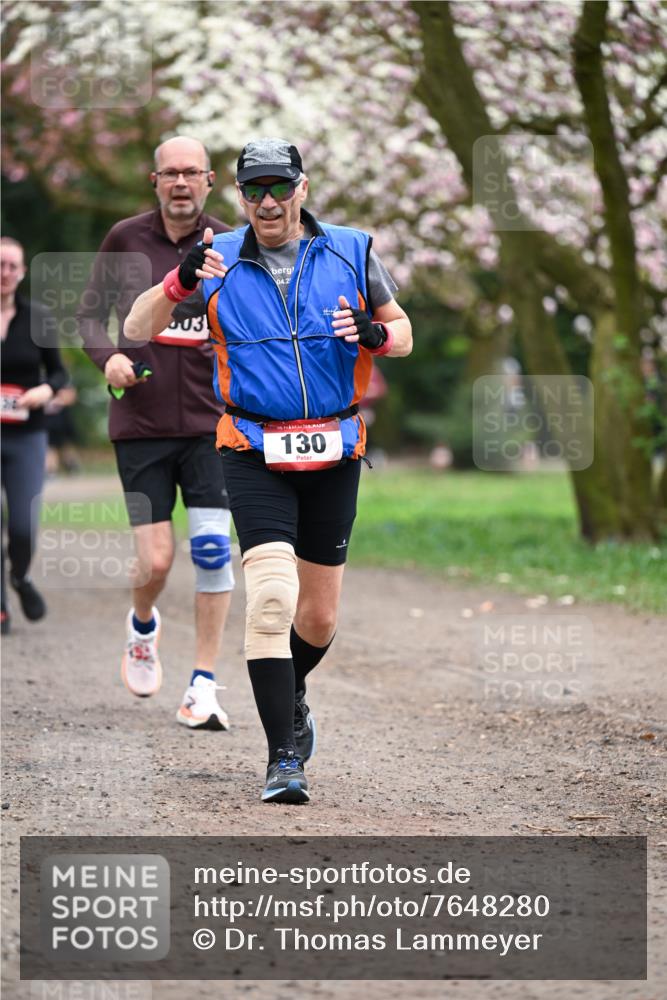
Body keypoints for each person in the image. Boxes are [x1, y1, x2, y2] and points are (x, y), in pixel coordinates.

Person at [125, 137, 412, 803]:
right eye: (255, 190)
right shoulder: (216, 259)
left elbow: (402, 331)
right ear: (240, 197)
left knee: (317, 618)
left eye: (280, 187)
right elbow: (137, 325)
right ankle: (283, 758)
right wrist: (178, 281)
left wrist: (376, 336)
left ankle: (292, 689)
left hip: (334, 449)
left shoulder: (351, 250)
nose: (268, 201)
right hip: (252, 448)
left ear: (302, 189)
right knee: (272, 598)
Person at [78, 136, 235, 730]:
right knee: (158, 560)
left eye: (192, 172)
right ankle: (142, 624)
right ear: (155, 181)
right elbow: (89, 317)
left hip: (212, 425)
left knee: (213, 552)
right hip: (141, 424)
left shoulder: (230, 244)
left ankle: (203, 685)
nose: (181, 183)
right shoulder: (125, 238)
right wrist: (108, 359)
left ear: (210, 181)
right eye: (171, 173)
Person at [1, 236, 68, 635]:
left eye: (12, 265)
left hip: (27, 435)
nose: (5, 272)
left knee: (23, 526)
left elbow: (59, 373)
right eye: (0, 264)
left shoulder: (38, 318)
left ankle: (20, 576)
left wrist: (45, 391)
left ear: (23, 272)